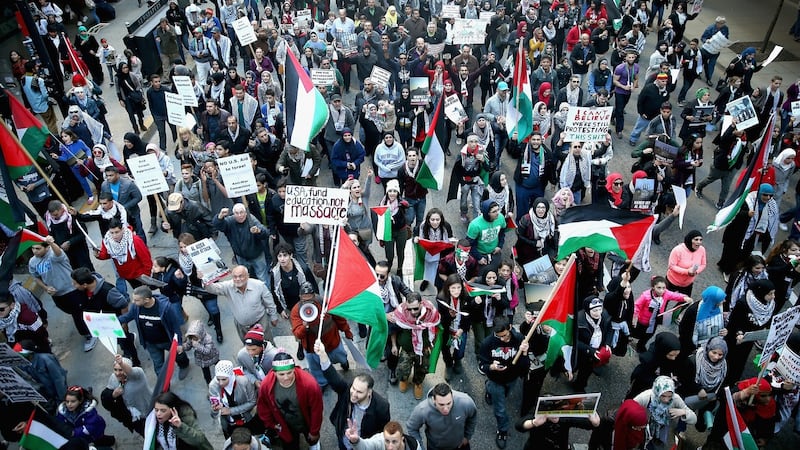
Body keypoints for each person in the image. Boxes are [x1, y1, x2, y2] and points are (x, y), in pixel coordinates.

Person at [314, 340, 391, 450]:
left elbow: (382, 433)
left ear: (369, 392)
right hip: (343, 438)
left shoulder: (382, 407)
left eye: (359, 392)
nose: (353, 394)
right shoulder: (347, 390)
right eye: (353, 388)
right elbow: (333, 378)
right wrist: (323, 354)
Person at [479, 316, 530, 448]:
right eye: (499, 336)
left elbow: (524, 366)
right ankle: (502, 431)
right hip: (496, 379)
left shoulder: (519, 339)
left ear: (510, 328)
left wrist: (524, 353)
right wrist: (491, 367)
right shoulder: (487, 343)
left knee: (504, 393)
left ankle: (488, 388)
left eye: (504, 335)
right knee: (500, 409)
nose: (502, 339)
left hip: (511, 379)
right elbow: (482, 366)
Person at [117, 286, 191, 377]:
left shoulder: (166, 308)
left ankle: (184, 365)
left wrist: (179, 343)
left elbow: (175, 326)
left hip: (167, 341)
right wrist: (110, 321)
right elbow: (127, 317)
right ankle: (164, 387)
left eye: (136, 300)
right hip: (150, 343)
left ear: (146, 300)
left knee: (178, 356)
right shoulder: (136, 307)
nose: (133, 302)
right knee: (158, 366)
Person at [256, 352, 323, 450]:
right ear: (274, 372)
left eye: (289, 372)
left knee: (312, 441)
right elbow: (263, 407)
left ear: (294, 369)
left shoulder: (310, 384)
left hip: (306, 421)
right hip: (285, 425)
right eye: (281, 374)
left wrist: (314, 432)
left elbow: (316, 410)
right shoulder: (266, 385)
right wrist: (272, 424)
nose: (286, 377)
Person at [291, 281, 353, 387]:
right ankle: (322, 383)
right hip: (312, 348)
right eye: (304, 298)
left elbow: (339, 318)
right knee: (315, 368)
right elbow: (298, 334)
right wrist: (304, 326)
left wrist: (347, 331)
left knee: (340, 356)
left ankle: (344, 362)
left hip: (332, 343)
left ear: (314, 296)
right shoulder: (296, 311)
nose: (307, 302)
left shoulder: (325, 303)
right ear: (300, 297)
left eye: (309, 298)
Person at [204, 265, 279, 343]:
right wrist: (204, 279)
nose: (237, 279)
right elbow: (212, 289)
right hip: (242, 327)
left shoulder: (259, 285)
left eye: (240, 276)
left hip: (261, 323)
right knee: (249, 346)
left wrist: (274, 316)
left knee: (266, 344)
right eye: (235, 277)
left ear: (247, 276)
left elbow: (269, 302)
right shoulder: (228, 286)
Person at [724, 279, 776, 386]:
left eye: (773, 293)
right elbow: (734, 322)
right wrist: (739, 333)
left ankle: (733, 380)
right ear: (761, 293)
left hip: (749, 339)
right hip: (735, 338)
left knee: (741, 359)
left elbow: (767, 320)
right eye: (770, 294)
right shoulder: (743, 303)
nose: (773, 296)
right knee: (730, 358)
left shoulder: (769, 305)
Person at [406, 382, 477, 450]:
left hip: (460, 446)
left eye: (449, 403)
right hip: (435, 448)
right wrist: (420, 447)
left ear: (452, 397)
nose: (446, 409)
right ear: (434, 400)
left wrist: (467, 436)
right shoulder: (423, 410)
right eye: (441, 404)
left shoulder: (465, 402)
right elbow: (412, 428)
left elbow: (472, 417)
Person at [678, 336, 728, 432]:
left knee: (702, 422)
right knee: (686, 413)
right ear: (708, 348)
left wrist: (714, 395)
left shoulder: (724, 365)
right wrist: (699, 389)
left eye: (720, 354)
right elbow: (685, 379)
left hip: (708, 397)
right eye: (714, 352)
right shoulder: (694, 360)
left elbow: (722, 382)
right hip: (691, 394)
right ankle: (680, 430)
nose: (716, 357)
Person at [632, 376, 696, 450]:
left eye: (669, 396)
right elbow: (629, 408)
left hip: (662, 433)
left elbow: (694, 419)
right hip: (644, 429)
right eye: (663, 396)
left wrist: (684, 412)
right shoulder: (646, 396)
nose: (666, 400)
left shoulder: (675, 399)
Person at [632, 276, 692, 352]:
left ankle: (640, 345)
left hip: (654, 321)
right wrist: (635, 317)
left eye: (664, 288)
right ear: (653, 287)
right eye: (659, 288)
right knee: (635, 332)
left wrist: (684, 298)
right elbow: (637, 306)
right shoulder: (645, 296)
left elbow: (675, 296)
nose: (661, 290)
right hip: (642, 321)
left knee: (648, 335)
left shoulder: (666, 293)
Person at [214, 204, 270, 283]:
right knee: (243, 278)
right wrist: (220, 216)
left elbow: (265, 233)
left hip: (256, 255)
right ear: (233, 214)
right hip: (241, 256)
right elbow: (218, 226)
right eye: (237, 213)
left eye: (241, 212)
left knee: (262, 278)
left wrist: (258, 231)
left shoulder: (251, 219)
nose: (240, 215)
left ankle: (266, 294)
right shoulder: (230, 221)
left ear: (246, 213)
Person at [101, 354, 151, 436]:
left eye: (121, 370)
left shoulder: (138, 375)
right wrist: (113, 395)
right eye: (115, 370)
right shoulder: (113, 378)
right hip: (134, 418)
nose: (117, 373)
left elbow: (131, 372)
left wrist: (121, 363)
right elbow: (105, 396)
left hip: (148, 410)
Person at [208, 360, 260, 439]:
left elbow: (253, 401)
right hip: (229, 423)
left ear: (231, 376)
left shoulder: (244, 381)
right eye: (218, 379)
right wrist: (215, 410)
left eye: (224, 379)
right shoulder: (213, 386)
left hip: (247, 419)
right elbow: (214, 415)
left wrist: (231, 410)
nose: (221, 383)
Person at [628, 331, 685, 398]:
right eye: (671, 355)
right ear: (663, 350)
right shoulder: (649, 361)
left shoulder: (663, 355)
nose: (673, 358)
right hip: (641, 388)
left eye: (676, 355)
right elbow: (640, 378)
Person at [678, 286, 727, 356]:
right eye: (721, 300)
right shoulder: (693, 311)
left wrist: (724, 331)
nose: (724, 301)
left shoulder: (718, 308)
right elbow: (683, 329)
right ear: (714, 301)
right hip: (688, 348)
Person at [516, 411, 601, 450]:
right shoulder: (537, 417)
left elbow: (583, 423)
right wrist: (534, 423)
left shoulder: (564, 418)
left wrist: (595, 423)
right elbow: (519, 425)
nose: (554, 415)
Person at [236, 324, 279, 390]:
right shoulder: (241, 355)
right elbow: (242, 370)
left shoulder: (273, 355)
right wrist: (254, 381)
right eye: (247, 349)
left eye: (254, 349)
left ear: (261, 347)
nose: (250, 353)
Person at [665, 230, 706, 296]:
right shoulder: (678, 250)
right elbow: (672, 266)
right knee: (663, 302)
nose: (699, 242)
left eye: (701, 240)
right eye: (696, 239)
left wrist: (696, 272)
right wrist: (687, 272)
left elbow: (703, 264)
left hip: (687, 284)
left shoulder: (702, 250)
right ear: (690, 240)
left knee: (685, 303)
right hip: (672, 282)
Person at [183, 319, 220, 384]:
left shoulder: (208, 339)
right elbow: (188, 346)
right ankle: (209, 383)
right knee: (206, 374)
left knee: (218, 364)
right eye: (191, 337)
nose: (193, 339)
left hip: (212, 356)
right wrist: (183, 347)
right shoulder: (191, 339)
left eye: (195, 337)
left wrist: (198, 346)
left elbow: (207, 351)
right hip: (202, 361)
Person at [344, 420, 421, 450]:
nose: (390, 447)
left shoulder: (414, 446)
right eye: (387, 441)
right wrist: (356, 441)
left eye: (394, 442)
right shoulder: (379, 440)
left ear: (402, 439)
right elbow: (366, 446)